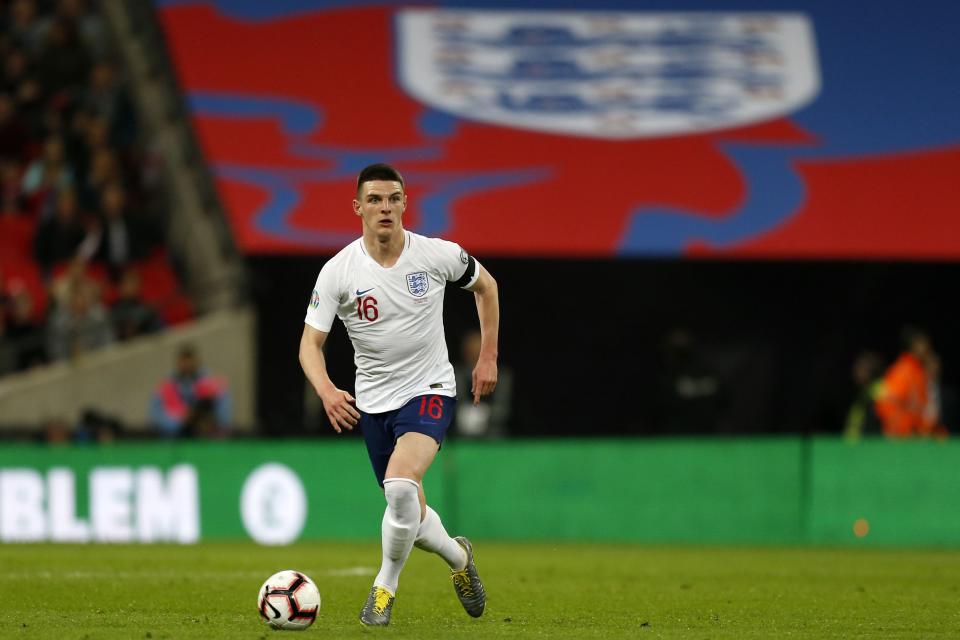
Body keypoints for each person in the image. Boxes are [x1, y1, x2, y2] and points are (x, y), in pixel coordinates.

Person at [299, 163, 499, 626]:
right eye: (374, 200)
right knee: (406, 506)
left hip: (429, 389)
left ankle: (383, 589)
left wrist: (487, 356)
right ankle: (459, 558)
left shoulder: (435, 255)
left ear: (405, 203)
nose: (384, 207)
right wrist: (327, 390)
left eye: (392, 198)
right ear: (358, 208)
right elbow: (309, 344)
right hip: (372, 403)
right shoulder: (338, 272)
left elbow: (487, 286)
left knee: (401, 484)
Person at [149, 343, 231, 438]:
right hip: (175, 435)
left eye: (190, 360)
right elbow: (155, 416)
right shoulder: (167, 385)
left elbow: (224, 412)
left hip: (205, 433)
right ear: (178, 362)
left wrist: (215, 425)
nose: (187, 365)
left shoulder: (210, 383)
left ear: (197, 361)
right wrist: (180, 419)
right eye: (184, 361)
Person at [874, 327, 941, 438]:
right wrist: (901, 429)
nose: (927, 348)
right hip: (904, 438)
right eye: (923, 344)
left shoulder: (918, 370)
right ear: (914, 346)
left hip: (917, 435)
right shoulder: (903, 370)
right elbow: (886, 402)